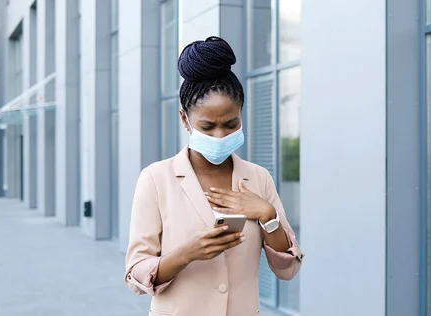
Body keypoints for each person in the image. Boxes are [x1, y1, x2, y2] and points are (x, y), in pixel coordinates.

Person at [124, 36, 304, 316]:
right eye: (207, 127)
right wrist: (186, 253)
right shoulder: (156, 179)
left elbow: (287, 269)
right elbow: (136, 274)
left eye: (231, 124)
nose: (220, 135)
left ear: (241, 114)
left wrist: (268, 215)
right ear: (185, 119)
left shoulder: (258, 178)